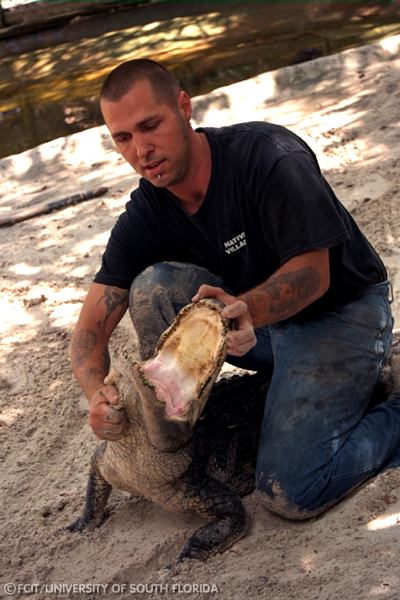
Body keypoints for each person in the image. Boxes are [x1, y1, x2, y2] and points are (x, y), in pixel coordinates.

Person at [70, 58, 400, 519]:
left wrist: (247, 309)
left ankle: (388, 391)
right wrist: (94, 392)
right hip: (251, 326)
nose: (141, 150)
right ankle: (178, 432)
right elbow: (90, 327)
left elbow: (313, 275)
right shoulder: (148, 209)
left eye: (150, 126)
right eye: (123, 138)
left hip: (341, 316)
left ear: (184, 107)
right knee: (155, 285)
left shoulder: (268, 155)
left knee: (293, 491)